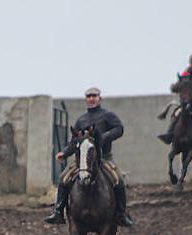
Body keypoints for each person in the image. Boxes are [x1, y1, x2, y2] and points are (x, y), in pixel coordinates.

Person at [44, 86, 134, 227]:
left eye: (94, 96)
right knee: (63, 178)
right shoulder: (81, 120)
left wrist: (102, 138)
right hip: (83, 161)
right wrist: (65, 152)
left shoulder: (108, 115)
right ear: (86, 99)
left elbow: (119, 129)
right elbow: (75, 141)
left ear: (100, 98)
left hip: (104, 158)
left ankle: (122, 213)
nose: (91, 99)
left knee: (118, 179)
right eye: (89, 96)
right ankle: (58, 211)